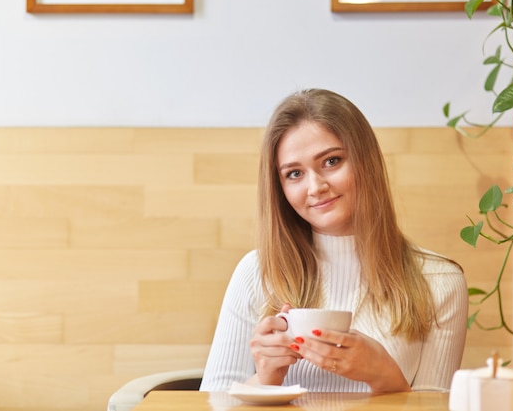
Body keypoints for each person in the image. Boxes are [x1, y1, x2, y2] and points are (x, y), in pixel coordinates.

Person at [199, 88, 468, 393]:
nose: (315, 187)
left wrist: (385, 376)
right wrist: (265, 380)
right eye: (295, 173)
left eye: (331, 161)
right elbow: (212, 403)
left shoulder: (440, 281)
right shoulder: (255, 273)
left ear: (366, 162)